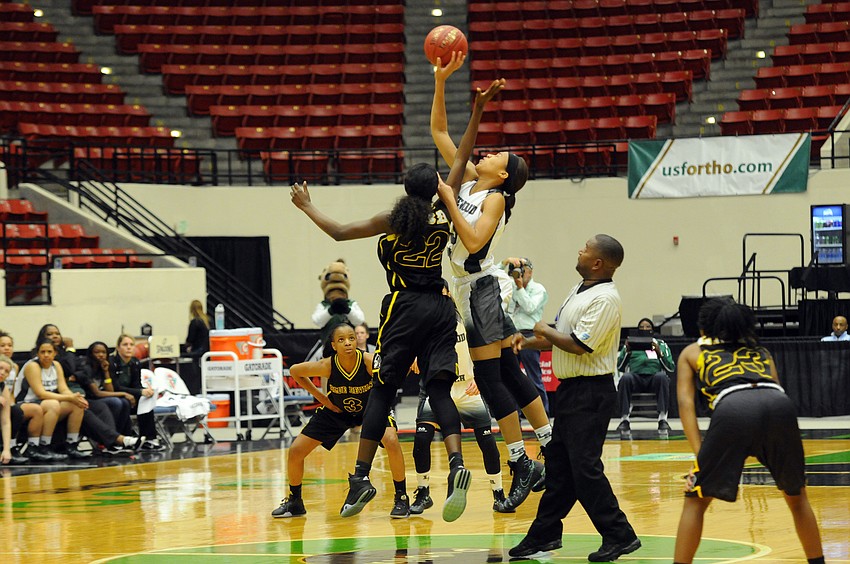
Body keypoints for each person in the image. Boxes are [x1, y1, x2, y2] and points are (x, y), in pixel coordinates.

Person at [289, 75, 505, 522]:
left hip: (404, 308)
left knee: (383, 391)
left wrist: (307, 206)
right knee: (439, 388)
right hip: (442, 309)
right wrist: (479, 110)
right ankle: (458, 464)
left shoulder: (392, 219)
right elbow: (461, 155)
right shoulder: (446, 208)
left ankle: (361, 478)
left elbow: (340, 232)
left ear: (405, 188)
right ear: (435, 189)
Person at [432, 52, 550, 511]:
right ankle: (548, 442)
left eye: (495, 154)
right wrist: (441, 81)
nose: (484, 152)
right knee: (503, 371)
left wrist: (444, 197)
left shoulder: (496, 197)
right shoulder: (471, 186)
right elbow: (441, 132)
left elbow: (476, 240)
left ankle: (521, 460)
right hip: (471, 287)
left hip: (481, 285)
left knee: (487, 374)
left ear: (502, 174)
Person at [509, 235, 641, 562]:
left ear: (598, 262)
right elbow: (560, 337)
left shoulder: (606, 299)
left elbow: (578, 344)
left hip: (591, 392)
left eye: (585, 248)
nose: (579, 251)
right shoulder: (579, 290)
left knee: (584, 468)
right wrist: (528, 342)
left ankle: (619, 535)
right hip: (570, 392)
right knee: (560, 468)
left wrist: (540, 328)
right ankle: (545, 535)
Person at [674, 297, 824, 564]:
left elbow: (686, 405)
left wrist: (701, 457)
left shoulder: (692, 352)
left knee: (695, 499)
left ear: (704, 326)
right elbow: (774, 390)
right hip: (779, 405)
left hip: (733, 407)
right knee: (797, 497)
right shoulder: (762, 352)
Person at [272, 322, 409, 519]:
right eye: (341, 340)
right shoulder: (328, 365)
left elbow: (392, 375)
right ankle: (295, 501)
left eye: (351, 338)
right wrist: (322, 399)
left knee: (391, 440)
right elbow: (295, 371)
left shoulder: (368, 361)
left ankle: (401, 498)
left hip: (370, 410)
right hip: (337, 410)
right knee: (296, 451)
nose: (347, 343)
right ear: (334, 345)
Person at [410, 307, 509, 514]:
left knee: (487, 442)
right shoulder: (427, 321)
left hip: (468, 388)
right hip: (441, 387)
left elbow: (486, 353)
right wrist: (414, 355)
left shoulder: (467, 319)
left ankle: (498, 493)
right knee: (421, 438)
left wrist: (481, 380)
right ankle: (423, 491)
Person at [18, 339, 90, 460]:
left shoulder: (56, 365)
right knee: (53, 404)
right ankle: (43, 446)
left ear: (55, 353)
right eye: (42, 352)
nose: (46, 355)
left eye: (49, 352)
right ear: (37, 353)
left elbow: (63, 388)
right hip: (28, 403)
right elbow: (41, 394)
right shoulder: (33, 366)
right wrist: (69, 397)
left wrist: (75, 397)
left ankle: (71, 444)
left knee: (77, 404)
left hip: (47, 404)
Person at [501, 256, 550, 414]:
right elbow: (495, 278)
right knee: (511, 379)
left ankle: (544, 416)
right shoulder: (511, 287)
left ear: (531, 271)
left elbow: (530, 308)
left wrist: (520, 287)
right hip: (511, 334)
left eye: (524, 270)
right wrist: (505, 262)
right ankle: (515, 417)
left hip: (530, 335)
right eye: (518, 271)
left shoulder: (539, 289)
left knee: (534, 378)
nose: (521, 274)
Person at [615, 318, 675, 439]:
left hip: (654, 378)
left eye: (648, 327)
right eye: (641, 327)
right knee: (625, 378)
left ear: (652, 330)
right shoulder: (631, 342)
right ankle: (624, 420)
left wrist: (659, 353)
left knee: (662, 377)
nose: (644, 329)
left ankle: (662, 419)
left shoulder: (661, 343)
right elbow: (620, 367)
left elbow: (671, 368)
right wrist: (627, 351)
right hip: (635, 378)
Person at [110, 334, 165, 452]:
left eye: (131, 345)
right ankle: (125, 439)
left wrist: (142, 393)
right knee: (124, 401)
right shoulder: (112, 362)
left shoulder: (135, 362)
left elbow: (136, 384)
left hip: (131, 396)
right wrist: (139, 392)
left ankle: (149, 439)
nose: (129, 348)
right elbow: (115, 387)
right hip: (115, 395)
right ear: (118, 347)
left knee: (146, 400)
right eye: (125, 345)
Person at [184, 299, 211, 394]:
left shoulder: (194, 322)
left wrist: (187, 346)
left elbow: (190, 339)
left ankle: (197, 392)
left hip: (197, 352)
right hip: (207, 352)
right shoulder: (207, 321)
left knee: (197, 376)